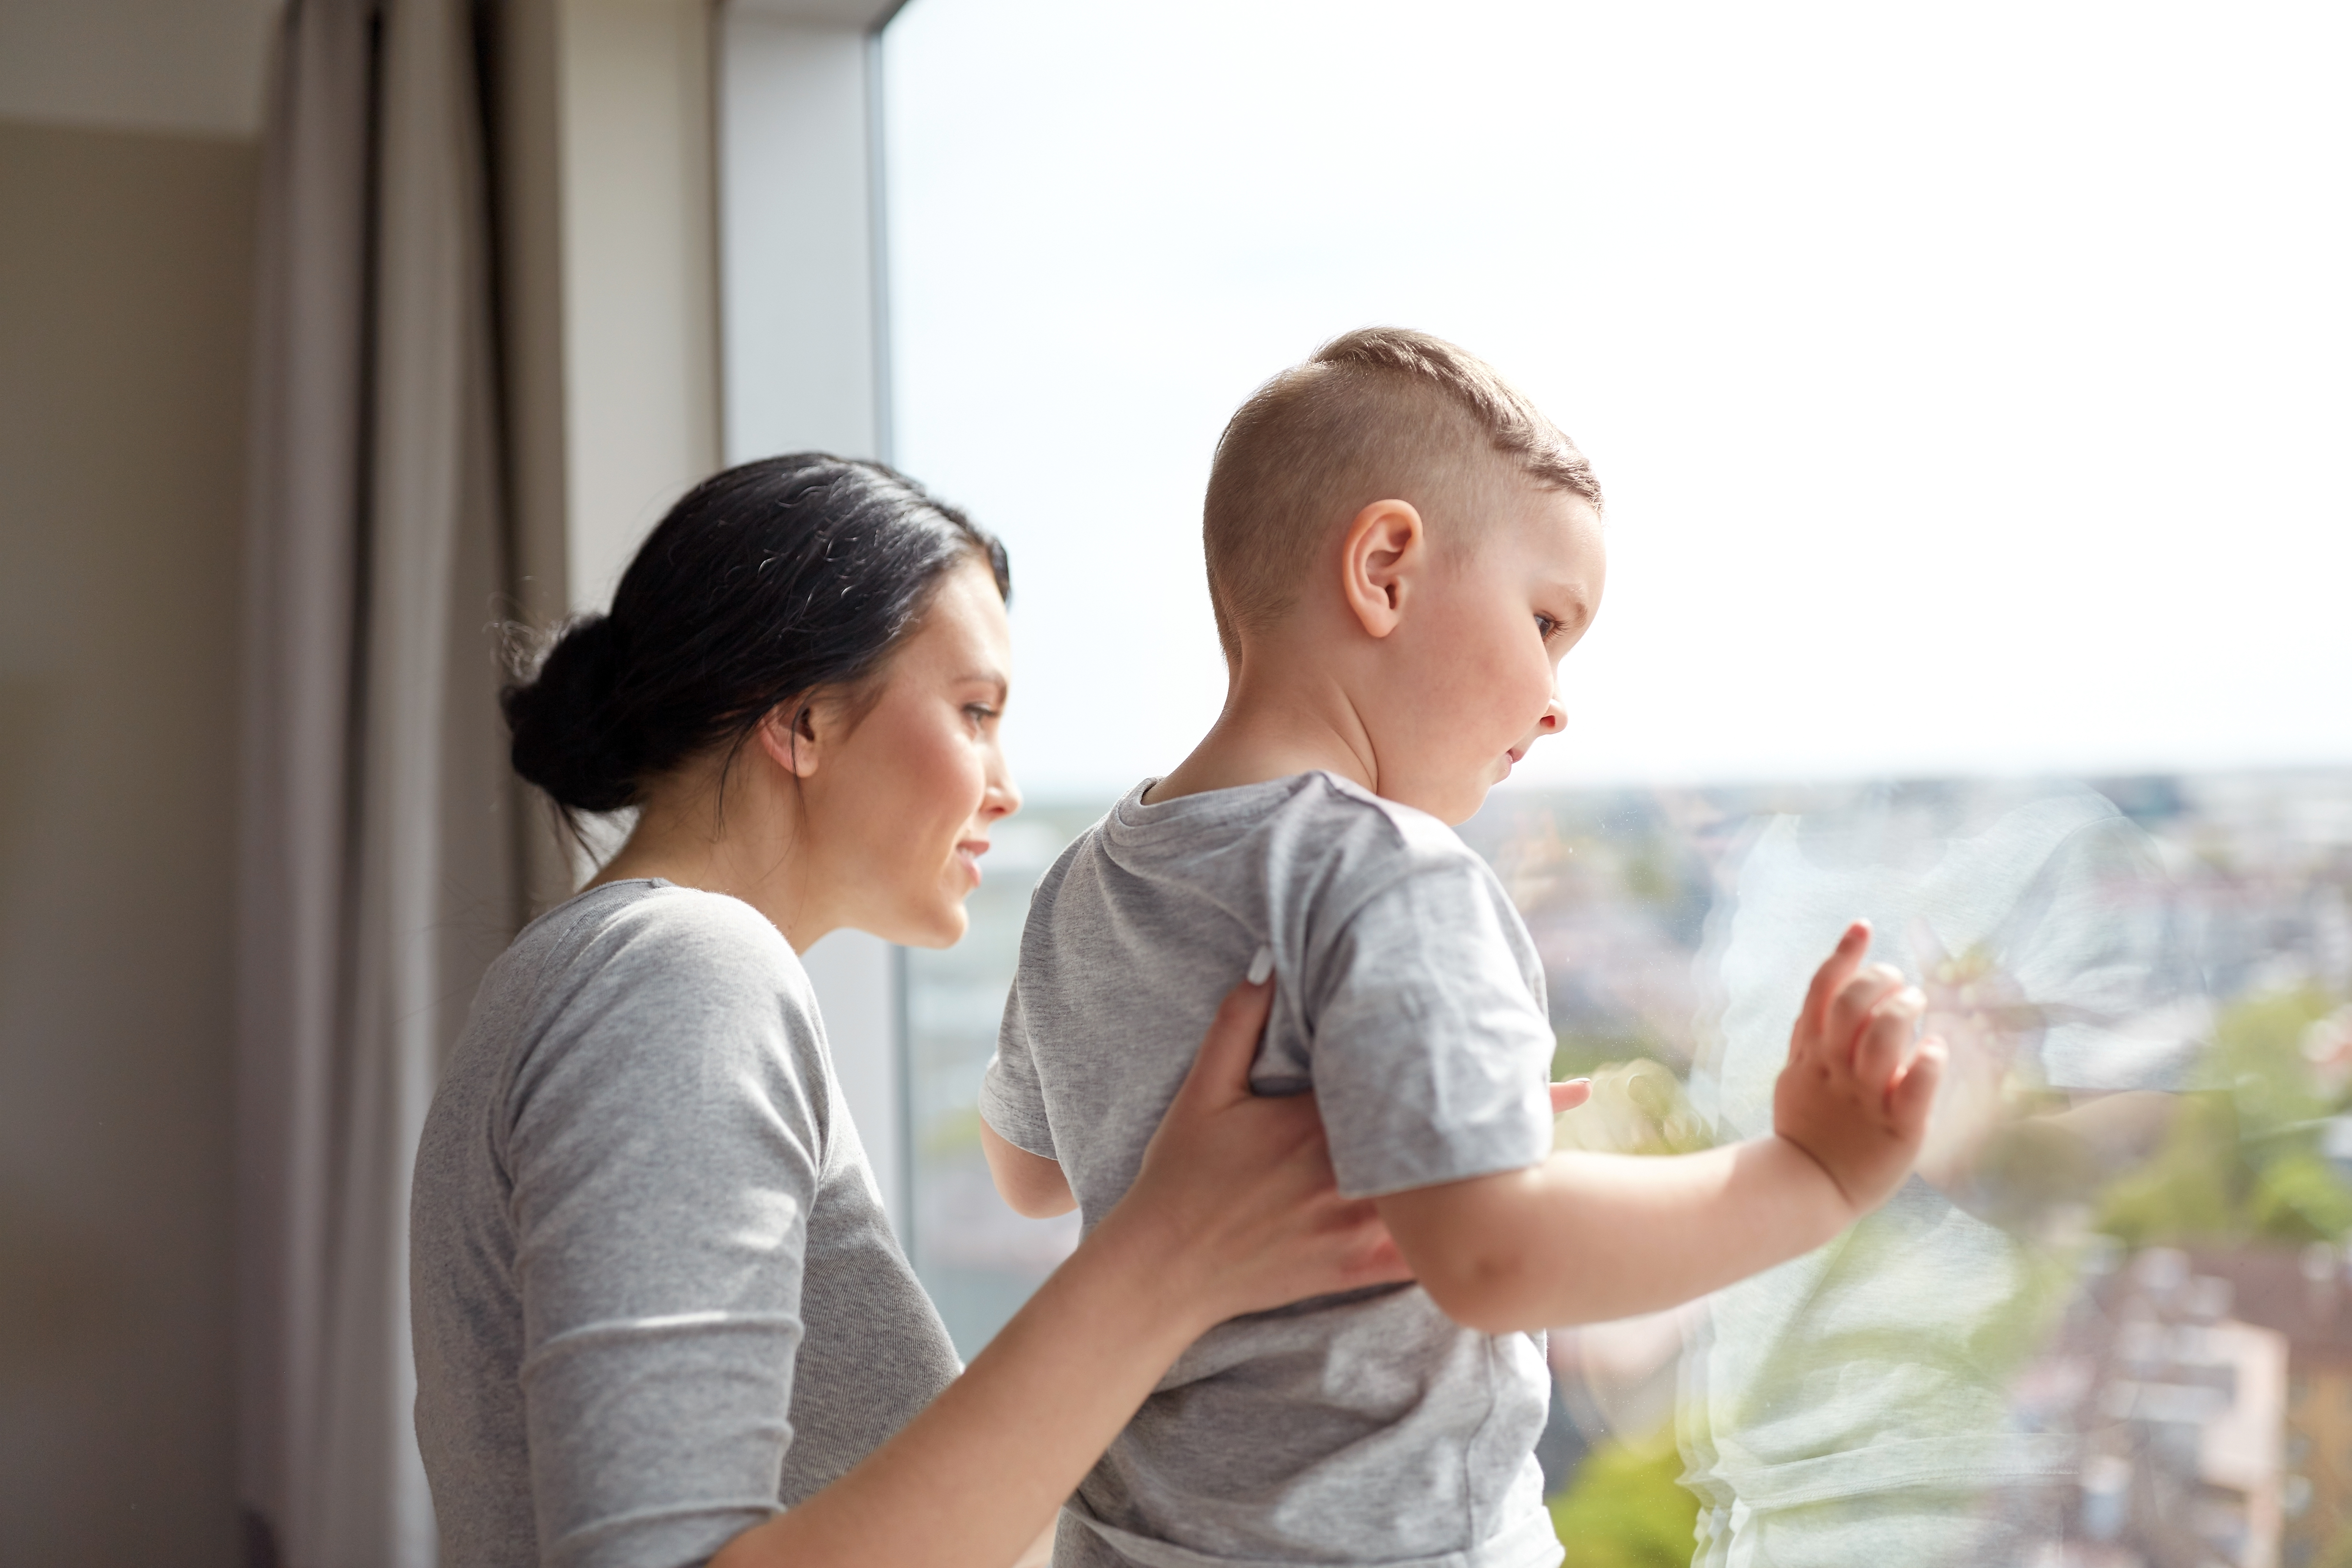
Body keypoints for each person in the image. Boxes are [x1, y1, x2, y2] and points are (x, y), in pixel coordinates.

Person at [979, 328, 1947, 1568]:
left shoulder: (1086, 879)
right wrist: (1811, 1173)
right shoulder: (1392, 874)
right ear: (1383, 568)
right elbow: (1495, 1255)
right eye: (1545, 621)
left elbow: (1029, 1171)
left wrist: (1407, 1116)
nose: (1555, 698)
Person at [408, 455, 1419, 1568]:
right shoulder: (680, 970)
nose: (1007, 783)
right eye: (975, 710)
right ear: (800, 720)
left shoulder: (592, 972)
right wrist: (1169, 1254)